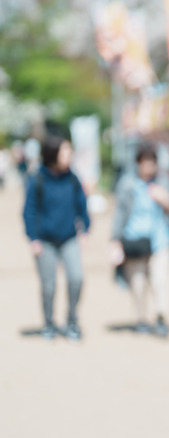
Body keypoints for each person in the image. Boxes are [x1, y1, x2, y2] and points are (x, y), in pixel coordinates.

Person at [22, 136, 89, 341]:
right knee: (49, 285)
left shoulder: (72, 178)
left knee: (76, 278)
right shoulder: (38, 179)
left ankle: (71, 321)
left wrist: (85, 227)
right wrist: (33, 238)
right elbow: (29, 210)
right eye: (65, 151)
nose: (69, 155)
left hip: (69, 237)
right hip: (45, 240)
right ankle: (49, 323)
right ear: (53, 155)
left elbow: (81, 204)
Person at [111, 145, 169, 338]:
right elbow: (119, 213)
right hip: (134, 240)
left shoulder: (164, 182)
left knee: (160, 279)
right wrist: (114, 240)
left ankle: (161, 317)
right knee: (138, 283)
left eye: (152, 163)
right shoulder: (127, 184)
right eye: (145, 163)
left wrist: (165, 200)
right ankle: (141, 318)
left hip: (160, 240)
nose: (148, 167)